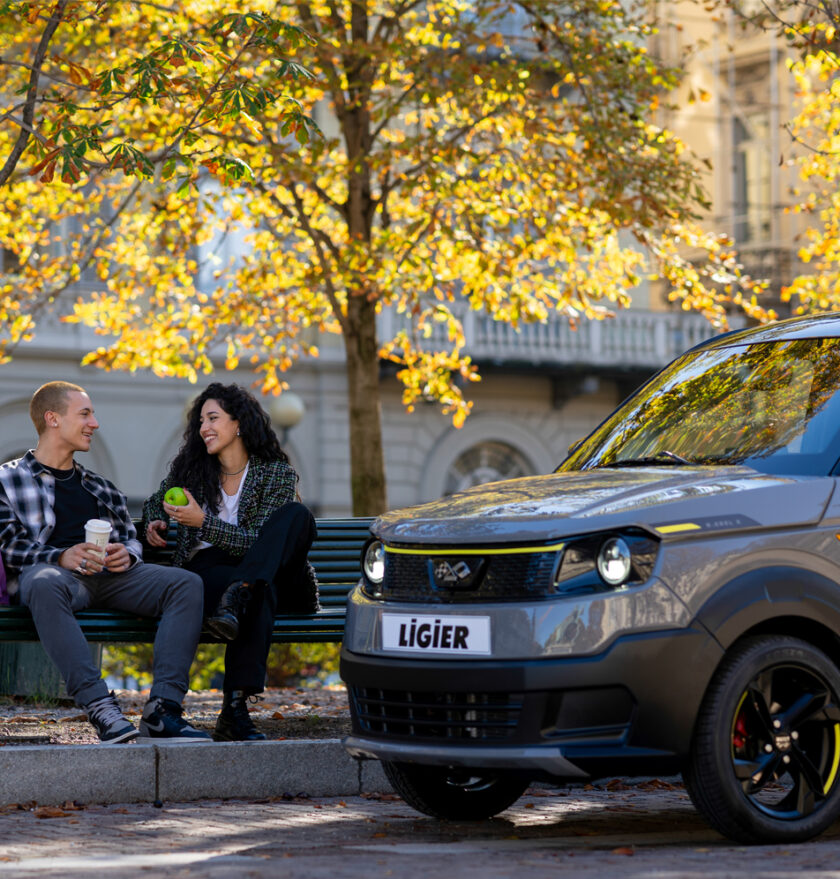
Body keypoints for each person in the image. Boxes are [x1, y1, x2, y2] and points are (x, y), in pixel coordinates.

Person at [0, 381, 211, 744]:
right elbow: (7, 544)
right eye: (85, 414)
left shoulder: (100, 486)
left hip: (111, 578)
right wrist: (59, 556)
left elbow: (129, 536)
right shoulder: (7, 479)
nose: (94, 423)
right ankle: (100, 705)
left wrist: (126, 554)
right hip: (55, 579)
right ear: (52, 419)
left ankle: (164, 710)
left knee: (185, 584)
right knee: (45, 581)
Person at [142, 382, 318, 742]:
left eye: (213, 418)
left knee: (297, 516)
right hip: (213, 575)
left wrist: (203, 523)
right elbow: (153, 502)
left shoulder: (275, 474)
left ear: (238, 423)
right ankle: (235, 712)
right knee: (257, 591)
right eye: (200, 421)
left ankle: (241, 590)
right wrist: (153, 520)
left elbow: (259, 543)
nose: (204, 427)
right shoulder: (191, 473)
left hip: (279, 574)